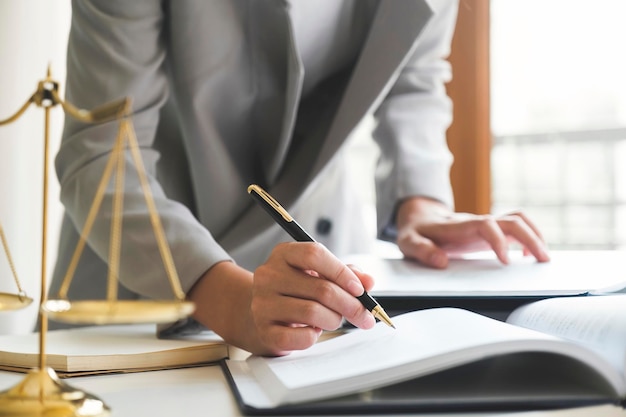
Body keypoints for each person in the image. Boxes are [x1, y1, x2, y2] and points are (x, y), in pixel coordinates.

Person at [50, 0, 550, 356]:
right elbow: (100, 154)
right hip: (134, 296)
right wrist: (228, 299)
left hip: (322, 310)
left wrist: (420, 204)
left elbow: (412, 79)